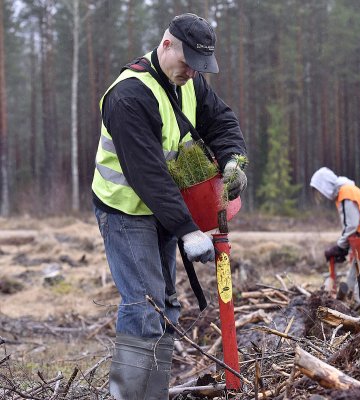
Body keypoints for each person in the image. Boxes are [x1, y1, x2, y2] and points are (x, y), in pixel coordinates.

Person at [91, 13, 247, 400]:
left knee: (166, 306)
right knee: (144, 307)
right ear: (166, 46)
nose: (192, 73)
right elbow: (148, 175)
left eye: (199, 67)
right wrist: (188, 228)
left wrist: (232, 159)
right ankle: (129, 396)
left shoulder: (190, 83)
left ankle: (152, 393)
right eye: (187, 63)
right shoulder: (129, 96)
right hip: (126, 209)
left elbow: (221, 121)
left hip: (163, 210)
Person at [310, 167, 360, 302]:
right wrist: (344, 248)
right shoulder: (345, 192)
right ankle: (349, 306)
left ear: (325, 185)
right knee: (351, 281)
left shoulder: (346, 193)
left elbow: (351, 225)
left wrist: (340, 247)